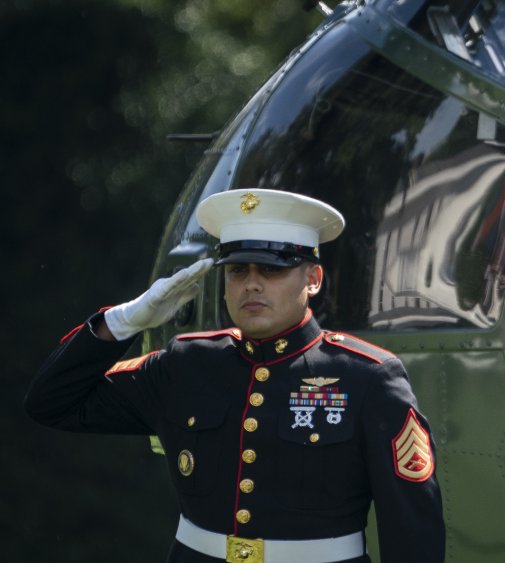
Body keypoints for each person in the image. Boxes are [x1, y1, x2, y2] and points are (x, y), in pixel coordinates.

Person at [25, 189, 445, 562]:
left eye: (273, 270)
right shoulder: (186, 363)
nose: (251, 285)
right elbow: (51, 402)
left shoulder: (367, 377)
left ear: (313, 279)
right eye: (238, 270)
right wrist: (122, 322)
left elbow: (413, 531)